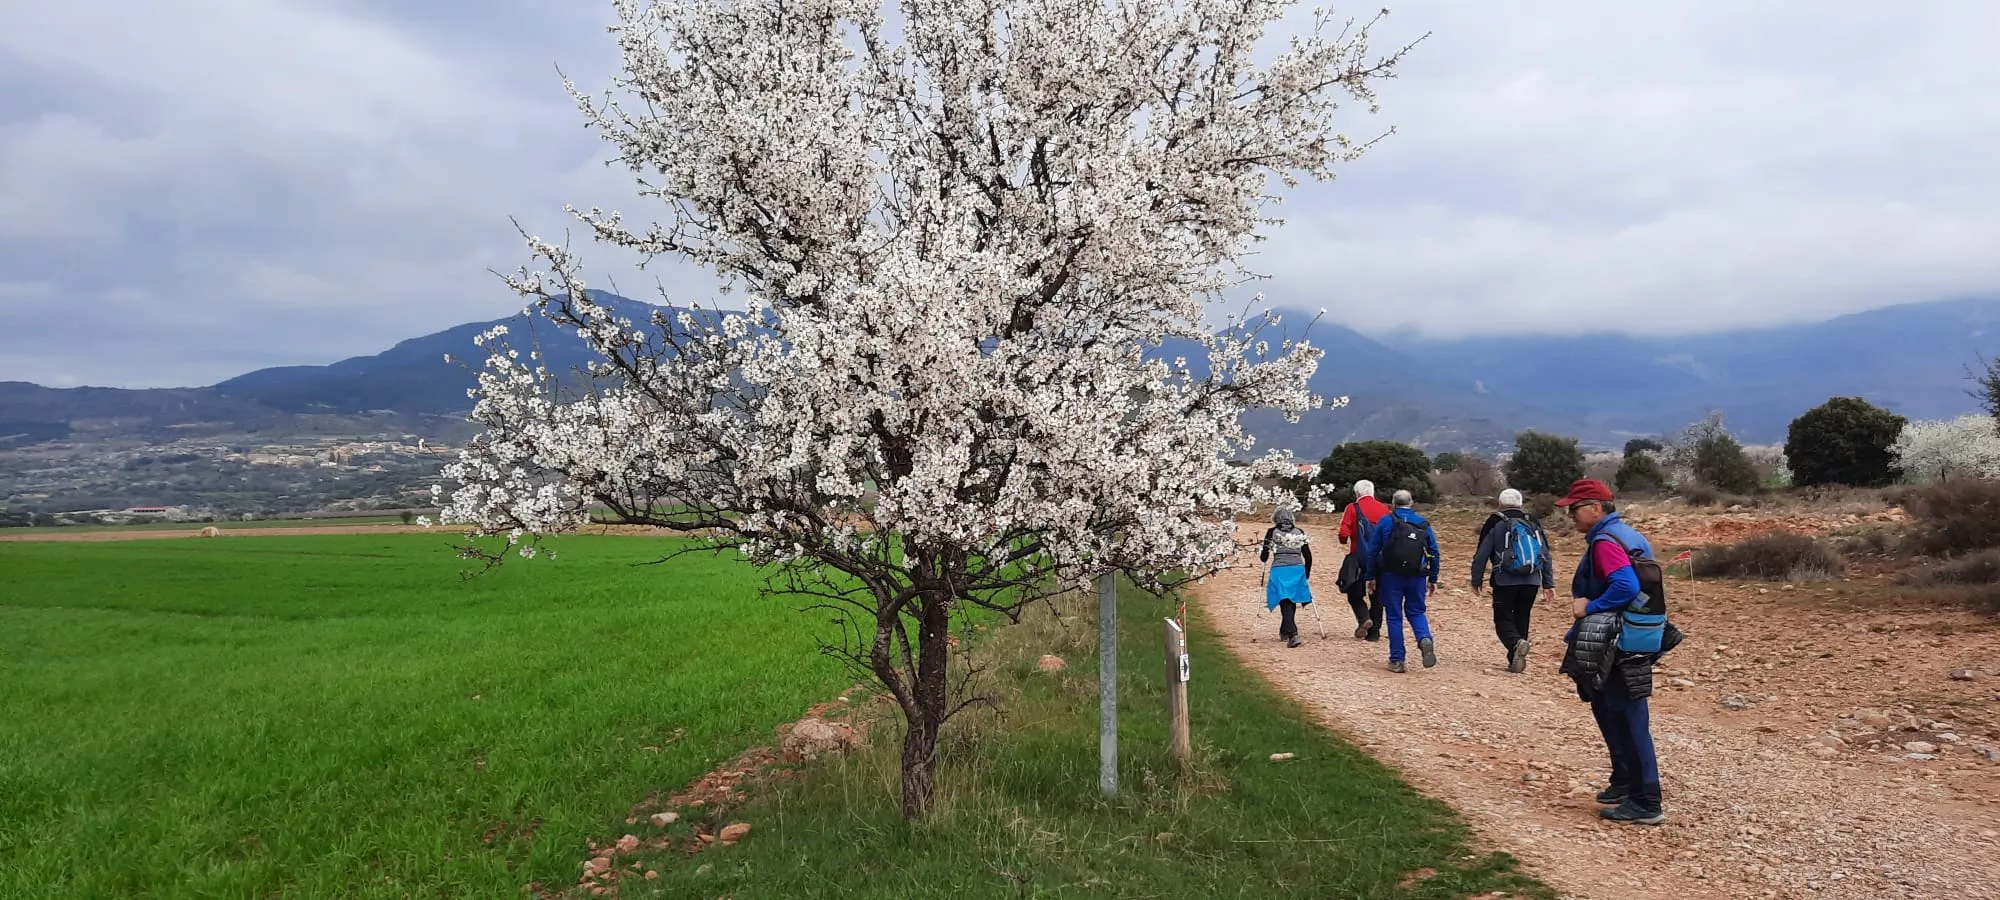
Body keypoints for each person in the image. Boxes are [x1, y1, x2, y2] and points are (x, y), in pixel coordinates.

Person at [1555, 478, 1667, 826]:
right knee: (1610, 707)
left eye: (1575, 509)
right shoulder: (1630, 535)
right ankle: (1624, 782)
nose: (1571, 515)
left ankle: (1646, 800)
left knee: (1628, 716)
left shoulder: (1605, 542)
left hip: (1616, 640)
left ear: (1595, 509)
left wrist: (1589, 607)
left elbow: (1625, 585)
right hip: (1637, 637)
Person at [1470, 488, 1555, 673]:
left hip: (1504, 579)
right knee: (1522, 616)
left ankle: (1516, 644)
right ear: (1520, 503)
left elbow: (1481, 554)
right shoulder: (1532, 522)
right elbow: (1545, 554)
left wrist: (1476, 579)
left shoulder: (1495, 522)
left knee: (1502, 618)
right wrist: (1548, 583)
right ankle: (1514, 661)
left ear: (1500, 503)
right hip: (1532, 580)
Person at [1366, 489, 1440, 673]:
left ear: (1393, 503)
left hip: (1391, 575)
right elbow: (1434, 551)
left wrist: (1370, 576)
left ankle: (1397, 660)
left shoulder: (1386, 521)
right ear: (1411, 503)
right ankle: (1424, 638)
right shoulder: (1423, 523)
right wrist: (1433, 577)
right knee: (1416, 611)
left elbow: (1373, 551)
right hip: (1417, 576)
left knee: (1394, 616)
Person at [1337, 480, 1390, 640]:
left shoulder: (1352, 508)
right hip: (1380, 559)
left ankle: (1363, 617)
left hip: (1359, 558)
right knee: (1378, 596)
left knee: (1354, 593)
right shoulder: (1384, 509)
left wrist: (1344, 541)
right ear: (1372, 492)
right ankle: (1374, 633)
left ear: (1357, 493)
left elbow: (1343, 534)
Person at [1260, 506, 1314, 649]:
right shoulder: (1299, 532)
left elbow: (1263, 557)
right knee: (1291, 600)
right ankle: (1285, 630)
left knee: (1285, 600)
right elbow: (1308, 556)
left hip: (1280, 569)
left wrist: (1267, 554)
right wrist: (1306, 573)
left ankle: (1293, 633)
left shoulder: (1272, 532)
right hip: (1297, 568)